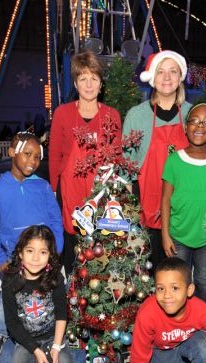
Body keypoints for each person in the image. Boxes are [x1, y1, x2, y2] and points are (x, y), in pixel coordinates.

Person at [123, 50, 206, 270]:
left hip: (183, 213)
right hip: (145, 206)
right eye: (161, 72)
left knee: (178, 274)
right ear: (152, 77)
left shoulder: (192, 115)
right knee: (148, 271)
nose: (166, 78)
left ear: (180, 77)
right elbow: (126, 168)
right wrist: (131, 212)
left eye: (172, 71)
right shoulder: (136, 116)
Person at [0, 131, 64, 358]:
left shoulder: (43, 186)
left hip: (44, 256)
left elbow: (56, 220)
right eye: (27, 154)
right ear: (12, 153)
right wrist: (1, 262)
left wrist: (56, 251)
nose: (32, 161)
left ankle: (53, 330)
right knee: (8, 300)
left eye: (37, 157)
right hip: (16, 261)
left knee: (47, 295)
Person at [49, 51, 121, 278]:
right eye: (83, 79)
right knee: (72, 249)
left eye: (94, 78)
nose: (89, 84)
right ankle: (73, 300)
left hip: (100, 193)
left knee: (100, 249)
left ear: (101, 84)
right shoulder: (62, 113)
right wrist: (53, 190)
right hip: (69, 191)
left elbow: (116, 157)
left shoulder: (112, 115)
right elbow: (55, 155)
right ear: (75, 83)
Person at [161, 103, 206, 306]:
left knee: (205, 281)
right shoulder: (173, 161)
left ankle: (204, 314)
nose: (201, 126)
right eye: (195, 121)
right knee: (179, 281)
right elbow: (165, 199)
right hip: (178, 236)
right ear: (186, 126)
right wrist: (165, 235)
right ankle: (181, 317)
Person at [2, 225, 78, 363]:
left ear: (50, 256)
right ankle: (36, 361)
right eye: (30, 251)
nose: (36, 258)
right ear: (20, 253)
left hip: (54, 337)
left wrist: (56, 348)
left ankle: (49, 361)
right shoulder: (10, 280)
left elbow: (61, 315)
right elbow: (12, 323)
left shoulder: (56, 278)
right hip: (26, 339)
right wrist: (35, 350)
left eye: (43, 252)